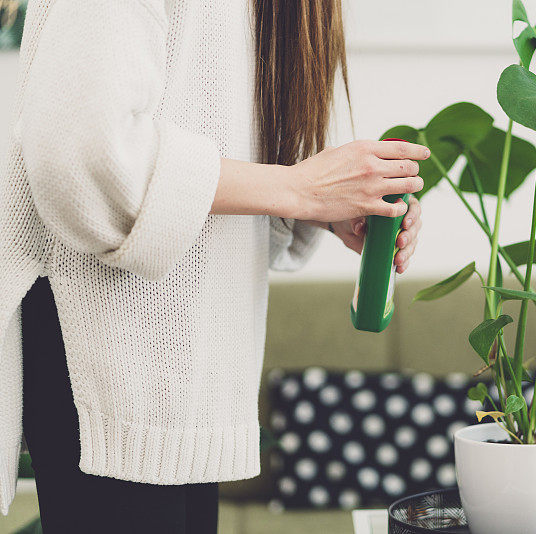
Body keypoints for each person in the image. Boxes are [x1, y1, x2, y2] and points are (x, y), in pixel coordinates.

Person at [0, 0, 427, 532]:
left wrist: (321, 207)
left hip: (192, 378)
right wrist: (299, 189)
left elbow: (209, 150)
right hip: (108, 360)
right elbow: (82, 150)